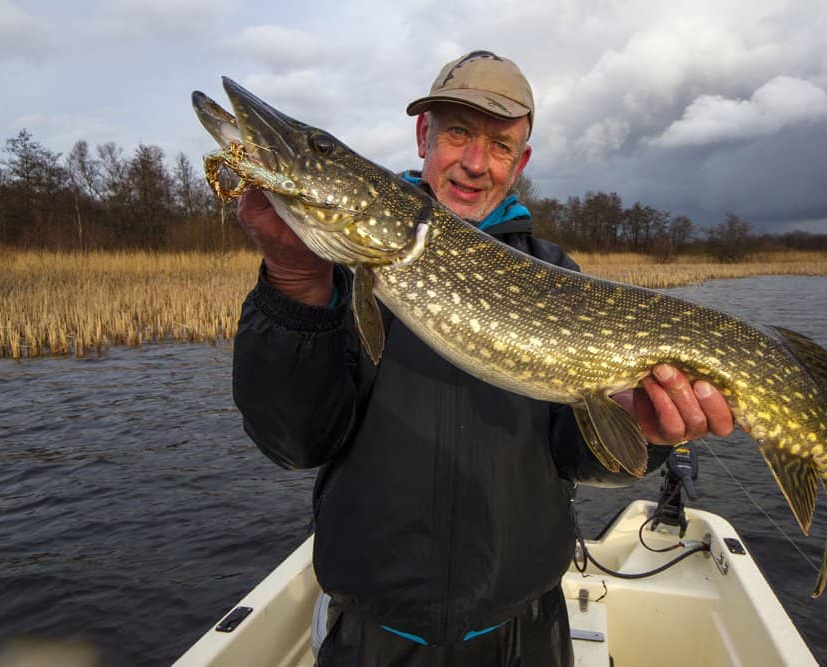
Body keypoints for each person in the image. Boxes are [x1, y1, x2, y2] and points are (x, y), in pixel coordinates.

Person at [232, 50, 734, 666]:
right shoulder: (337, 278)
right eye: (458, 133)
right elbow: (293, 443)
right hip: (373, 639)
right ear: (424, 137)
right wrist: (294, 284)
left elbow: (580, 456)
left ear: (519, 163)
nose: (475, 163)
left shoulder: (555, 276)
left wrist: (646, 431)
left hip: (523, 638)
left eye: (499, 145)